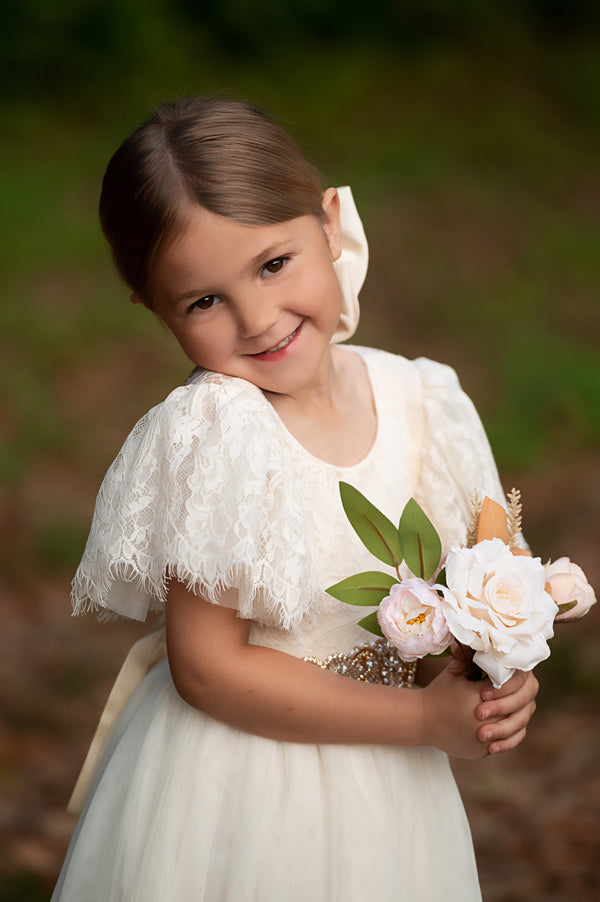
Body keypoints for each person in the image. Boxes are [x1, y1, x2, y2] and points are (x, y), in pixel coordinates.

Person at [52, 97, 538, 902]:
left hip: (389, 794)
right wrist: (422, 725)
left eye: (274, 264)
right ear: (154, 308)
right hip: (245, 783)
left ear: (329, 223)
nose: (259, 319)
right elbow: (207, 668)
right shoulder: (222, 430)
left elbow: (474, 591)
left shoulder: (421, 400)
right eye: (203, 301)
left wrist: (491, 675)